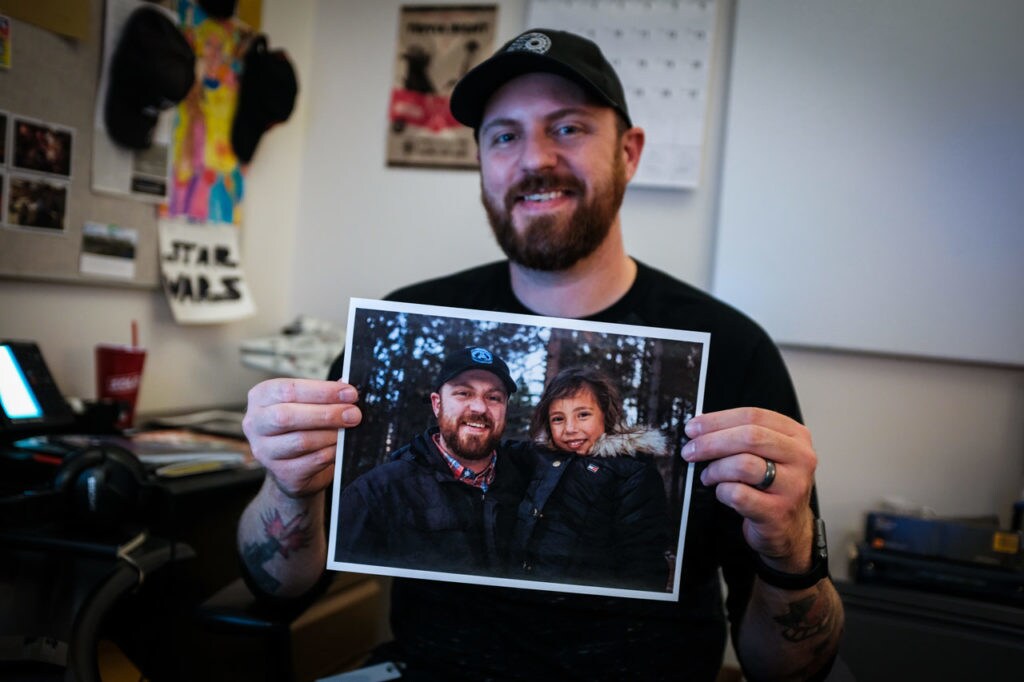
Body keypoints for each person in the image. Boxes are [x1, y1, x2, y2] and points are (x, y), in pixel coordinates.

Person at [239, 28, 844, 681]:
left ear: (629, 152)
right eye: (504, 136)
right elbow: (280, 588)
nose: (535, 159)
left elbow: (788, 671)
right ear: (482, 163)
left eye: (570, 128)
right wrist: (287, 487)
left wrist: (792, 554)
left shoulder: (732, 350)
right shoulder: (408, 319)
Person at [334, 346, 532, 575]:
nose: (479, 407)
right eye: (463, 393)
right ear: (437, 404)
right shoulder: (378, 492)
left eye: (494, 397)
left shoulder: (529, 484)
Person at [512, 366, 672, 592]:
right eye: (558, 419)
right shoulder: (540, 456)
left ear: (606, 414)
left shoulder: (632, 472)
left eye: (583, 415)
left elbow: (643, 559)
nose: (570, 429)